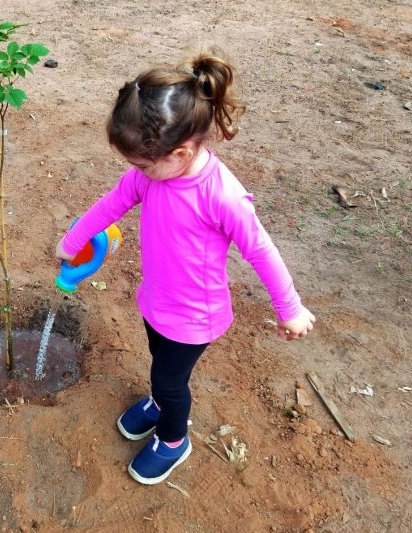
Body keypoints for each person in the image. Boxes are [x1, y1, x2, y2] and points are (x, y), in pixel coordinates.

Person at [55, 48, 316, 485]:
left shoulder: (221, 195)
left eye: (140, 163)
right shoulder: (149, 174)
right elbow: (112, 203)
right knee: (159, 360)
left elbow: (261, 250)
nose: (133, 171)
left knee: (171, 379)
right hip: (158, 299)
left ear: (179, 152)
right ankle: (159, 403)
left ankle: (174, 439)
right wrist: (73, 240)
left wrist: (290, 309)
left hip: (195, 315)